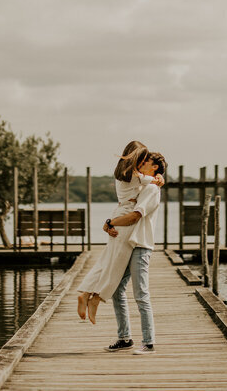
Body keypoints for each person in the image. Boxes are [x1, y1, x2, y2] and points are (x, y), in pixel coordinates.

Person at [76, 142, 164, 323]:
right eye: (141, 159)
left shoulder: (122, 174)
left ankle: (86, 293)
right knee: (115, 267)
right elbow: (150, 181)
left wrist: (158, 176)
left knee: (106, 261)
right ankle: (96, 299)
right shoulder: (135, 176)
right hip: (126, 219)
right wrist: (159, 178)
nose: (141, 163)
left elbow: (148, 180)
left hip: (118, 214)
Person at [102, 151, 166, 355]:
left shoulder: (151, 190)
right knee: (117, 289)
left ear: (155, 167)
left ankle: (148, 342)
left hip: (140, 245)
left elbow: (134, 216)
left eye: (146, 161)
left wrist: (109, 223)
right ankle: (124, 338)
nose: (141, 164)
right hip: (130, 242)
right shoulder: (143, 185)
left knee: (141, 294)